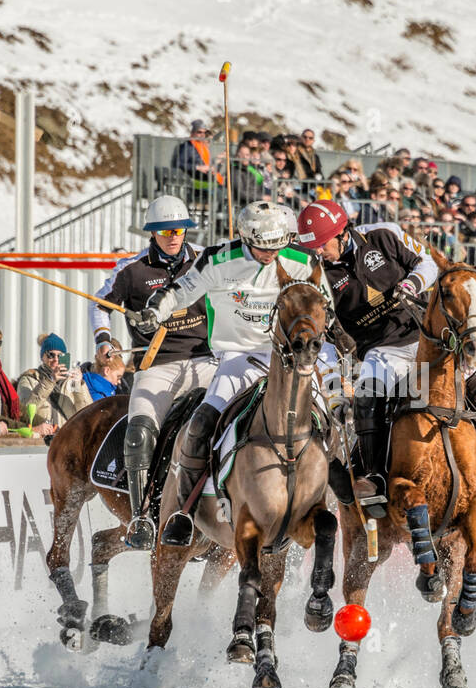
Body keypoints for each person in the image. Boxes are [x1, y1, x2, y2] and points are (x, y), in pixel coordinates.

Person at [297, 199, 476, 517]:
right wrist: (331, 381)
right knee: (370, 393)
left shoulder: (383, 235)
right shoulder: (316, 274)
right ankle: (375, 480)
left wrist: (411, 284)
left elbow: (428, 263)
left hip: (430, 337)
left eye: (321, 244)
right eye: (312, 246)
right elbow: (325, 333)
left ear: (342, 232)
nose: (318, 251)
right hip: (381, 349)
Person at [137, 201, 337, 547]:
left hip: (290, 356)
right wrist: (156, 310)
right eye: (262, 247)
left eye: (276, 247)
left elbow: (326, 309)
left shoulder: (304, 262)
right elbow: (183, 290)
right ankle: (183, 511)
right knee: (201, 421)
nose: (269, 255)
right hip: (236, 357)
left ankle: (340, 497)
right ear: (246, 237)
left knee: (330, 420)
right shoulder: (218, 260)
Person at [93, 195, 216, 549]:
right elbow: (100, 307)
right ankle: (141, 516)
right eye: (165, 231)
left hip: (205, 359)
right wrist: (104, 339)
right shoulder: (131, 270)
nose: (173, 236)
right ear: (153, 233)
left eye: (179, 229)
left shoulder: (205, 261)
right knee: (139, 430)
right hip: (157, 363)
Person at [16, 333, 93, 429]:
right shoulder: (29, 379)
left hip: (67, 438)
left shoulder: (71, 381)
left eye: (60, 356)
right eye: (50, 355)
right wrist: (50, 381)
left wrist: (79, 385)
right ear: (42, 357)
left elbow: (88, 415)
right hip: (42, 438)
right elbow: (24, 412)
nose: (56, 359)